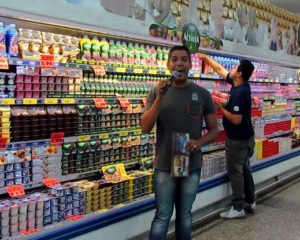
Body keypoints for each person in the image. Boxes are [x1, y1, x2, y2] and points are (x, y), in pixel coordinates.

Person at [141, 45, 218, 240]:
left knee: (185, 216)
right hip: (165, 165)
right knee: (162, 216)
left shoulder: (202, 94)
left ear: (190, 64)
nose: (179, 63)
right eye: (174, 59)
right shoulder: (156, 92)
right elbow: (145, 127)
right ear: (168, 64)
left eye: (184, 59)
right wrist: (160, 98)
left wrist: (199, 142)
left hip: (191, 164)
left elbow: (214, 129)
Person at [199, 53, 256, 219]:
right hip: (247, 138)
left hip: (238, 140)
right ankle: (250, 200)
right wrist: (204, 57)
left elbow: (236, 119)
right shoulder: (240, 84)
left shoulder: (239, 93)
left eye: (235, 67)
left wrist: (220, 107)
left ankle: (238, 208)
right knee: (245, 168)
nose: (231, 69)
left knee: (236, 172)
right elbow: (220, 69)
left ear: (239, 73)